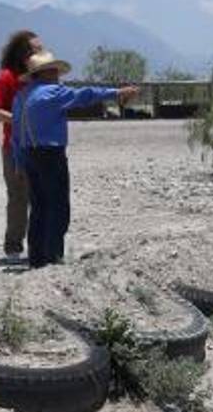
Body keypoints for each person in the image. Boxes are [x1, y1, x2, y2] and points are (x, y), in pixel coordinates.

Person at [11, 51, 138, 268]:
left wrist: (19, 162)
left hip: (29, 154)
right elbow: (85, 95)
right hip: (50, 154)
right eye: (54, 71)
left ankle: (37, 258)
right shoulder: (53, 92)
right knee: (58, 206)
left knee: (39, 207)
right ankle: (53, 257)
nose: (58, 75)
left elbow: (16, 133)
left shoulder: (20, 97)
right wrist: (116, 92)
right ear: (46, 73)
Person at [0, 30, 42, 261]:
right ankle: (13, 247)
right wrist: (20, 120)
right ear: (23, 52)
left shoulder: (41, 77)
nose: (40, 53)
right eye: (36, 49)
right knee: (18, 197)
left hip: (40, 145)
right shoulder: (6, 77)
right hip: (15, 146)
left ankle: (41, 244)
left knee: (40, 195)